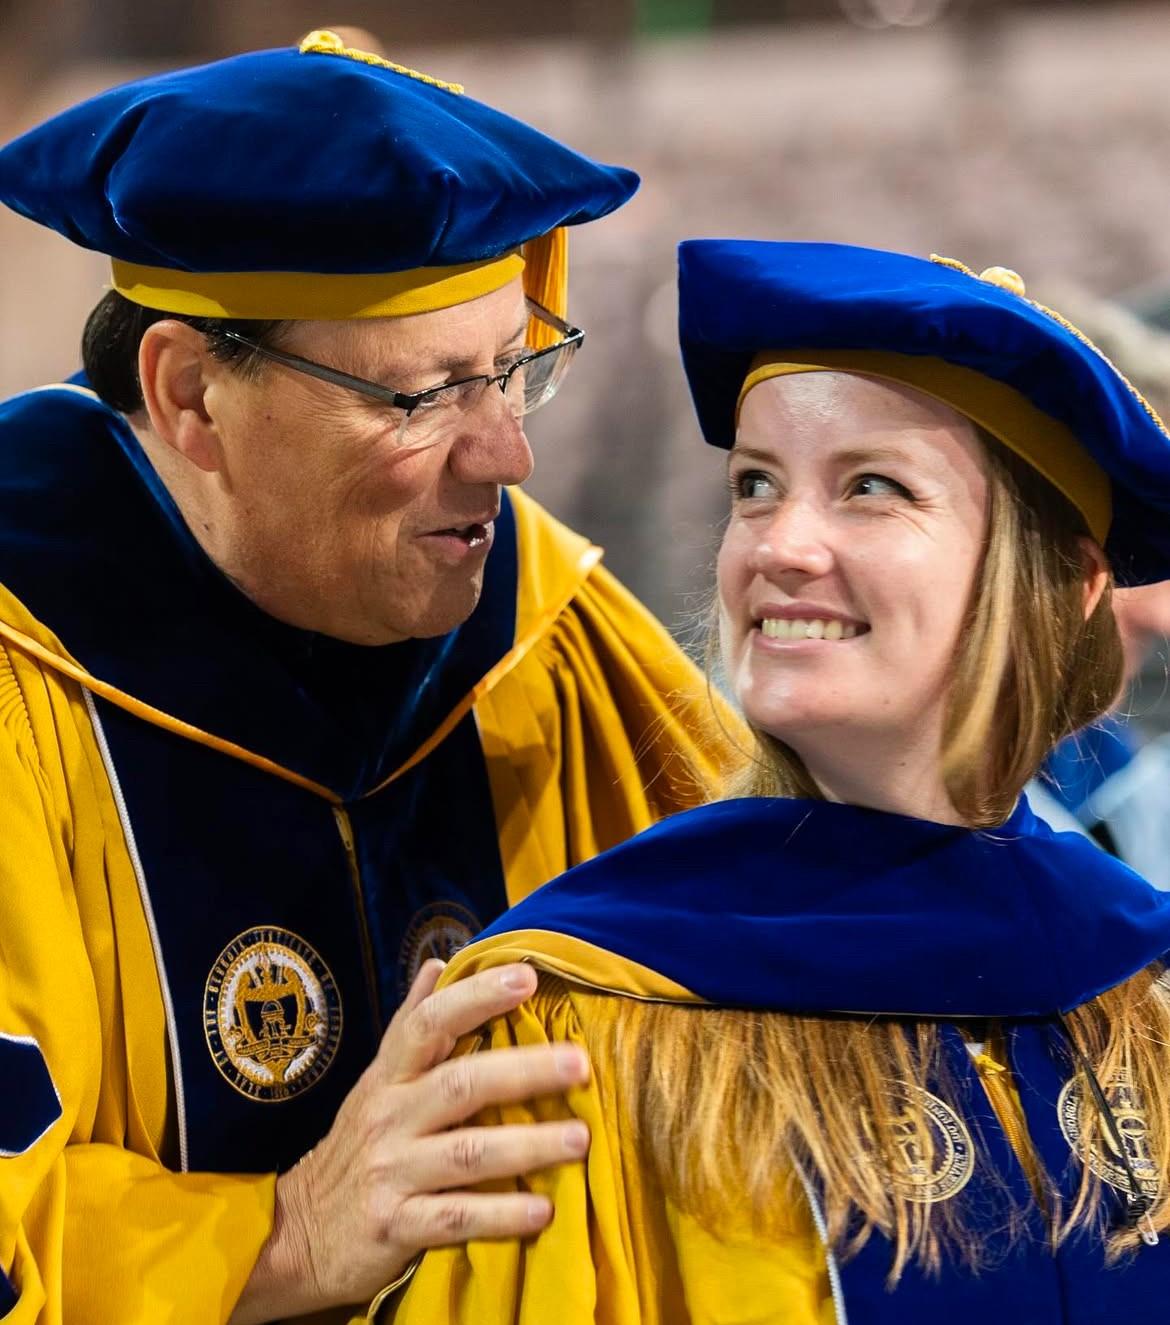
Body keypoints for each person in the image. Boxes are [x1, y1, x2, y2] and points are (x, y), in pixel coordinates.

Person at [0, 33, 736, 1325]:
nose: (506, 455)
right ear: (188, 396)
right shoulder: (25, 657)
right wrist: (272, 1239)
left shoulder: (543, 628)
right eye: (424, 398)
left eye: (513, 368)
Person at [392, 241, 1170, 1324]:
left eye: (872, 487)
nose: (780, 544)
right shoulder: (581, 1014)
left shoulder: (1142, 993)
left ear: (1067, 581)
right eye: (755, 485)